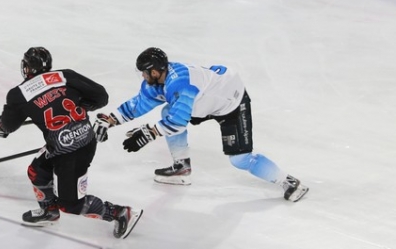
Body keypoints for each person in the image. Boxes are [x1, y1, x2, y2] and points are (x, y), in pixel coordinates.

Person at [93, 47, 309, 202]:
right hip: (205, 100)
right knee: (168, 111)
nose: (142, 75)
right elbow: (139, 104)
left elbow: (177, 122)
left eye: (144, 71)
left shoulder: (180, 84)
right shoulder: (159, 81)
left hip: (231, 101)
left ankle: (289, 182)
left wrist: (149, 133)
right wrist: (110, 120)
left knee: (240, 159)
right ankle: (181, 168)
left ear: (155, 71)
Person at [0, 47, 143, 239]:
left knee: (71, 205)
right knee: (37, 172)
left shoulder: (19, 94)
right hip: (83, 139)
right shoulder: (65, 75)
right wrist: (82, 106)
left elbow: (8, 126)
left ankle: (121, 213)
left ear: (26, 67)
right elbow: (101, 97)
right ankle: (49, 211)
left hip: (69, 150)